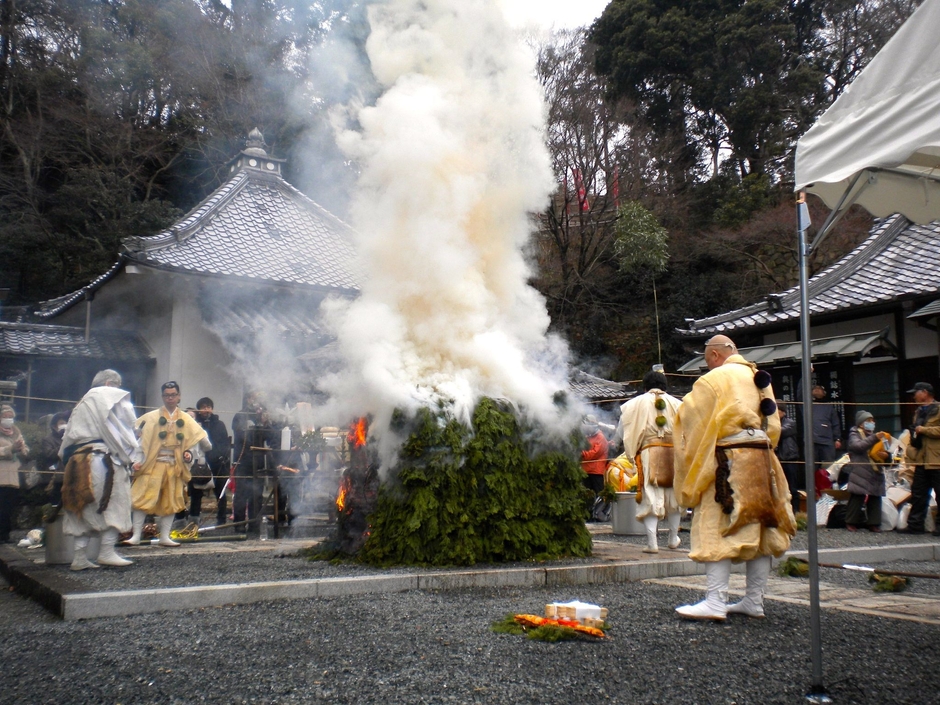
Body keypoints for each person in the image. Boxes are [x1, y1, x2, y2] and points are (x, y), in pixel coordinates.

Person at [674, 335, 796, 620]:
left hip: (728, 460)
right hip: (764, 457)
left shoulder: (714, 379)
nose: (708, 366)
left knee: (716, 524)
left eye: (707, 361)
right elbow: (774, 424)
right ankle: (754, 600)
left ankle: (715, 601)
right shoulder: (759, 378)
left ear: (715, 355)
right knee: (763, 524)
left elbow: (693, 422)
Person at [59, 370, 142, 569]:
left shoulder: (81, 403)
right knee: (115, 502)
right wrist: (133, 443)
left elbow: (66, 440)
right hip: (103, 459)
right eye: (117, 385)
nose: (119, 390)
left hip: (77, 460)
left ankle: (79, 558)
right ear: (108, 383)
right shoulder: (109, 395)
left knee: (82, 505)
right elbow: (129, 424)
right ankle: (106, 552)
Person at [127, 381, 209, 546]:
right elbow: (141, 441)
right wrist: (136, 461)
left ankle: (165, 536)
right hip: (152, 463)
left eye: (173, 395)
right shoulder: (151, 417)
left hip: (174, 464)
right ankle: (136, 535)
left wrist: (189, 455)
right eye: (167, 395)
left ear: (178, 396)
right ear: (162, 396)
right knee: (141, 497)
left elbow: (200, 442)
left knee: (171, 500)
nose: (170, 398)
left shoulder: (186, 419)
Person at [619, 369, 682, 553]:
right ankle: (672, 538)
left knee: (650, 495)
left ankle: (652, 542)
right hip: (674, 452)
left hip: (649, 451)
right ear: (665, 386)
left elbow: (625, 431)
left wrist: (631, 453)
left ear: (645, 386)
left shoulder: (634, 404)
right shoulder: (678, 404)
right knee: (674, 496)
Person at [231, 394, 278, 535]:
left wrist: (266, 424)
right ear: (248, 400)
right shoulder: (240, 416)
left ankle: (254, 524)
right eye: (254, 398)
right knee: (241, 494)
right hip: (244, 459)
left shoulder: (261, 417)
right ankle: (239, 524)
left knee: (257, 494)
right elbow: (243, 436)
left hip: (258, 461)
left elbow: (271, 438)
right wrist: (256, 427)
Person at [903, 382, 940, 535]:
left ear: (925, 392)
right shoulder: (918, 411)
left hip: (936, 459)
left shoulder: (938, 408)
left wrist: (923, 430)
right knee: (918, 493)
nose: (914, 396)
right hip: (921, 459)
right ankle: (915, 526)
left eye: (916, 392)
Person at [844, 410, 888, 533]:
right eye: (868, 421)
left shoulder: (879, 436)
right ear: (860, 424)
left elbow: (889, 452)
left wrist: (886, 455)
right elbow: (858, 446)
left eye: (872, 421)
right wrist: (874, 438)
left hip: (875, 469)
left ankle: (874, 523)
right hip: (860, 470)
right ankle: (851, 522)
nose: (871, 423)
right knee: (858, 495)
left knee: (875, 496)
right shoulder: (854, 434)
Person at [193, 397, 231, 526]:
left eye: (208, 407)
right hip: (200, 463)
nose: (206, 410)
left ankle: (221, 520)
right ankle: (194, 519)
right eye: (203, 407)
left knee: (220, 492)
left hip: (218, 463)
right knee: (197, 492)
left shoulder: (219, 424)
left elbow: (225, 443)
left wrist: (221, 457)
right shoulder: (195, 423)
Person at [0, 404, 29, 543]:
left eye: (10, 417)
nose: (8, 419)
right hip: (1, 475)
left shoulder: (17, 432)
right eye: (5, 417)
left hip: (14, 477)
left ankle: (5, 534)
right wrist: (10, 448)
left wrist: (22, 449)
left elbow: (26, 451)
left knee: (9, 507)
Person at [38, 411, 70, 505]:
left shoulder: (72, 439)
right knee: (55, 505)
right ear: (54, 426)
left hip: (70, 476)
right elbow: (49, 455)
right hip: (56, 478)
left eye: (66, 423)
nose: (64, 425)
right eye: (61, 423)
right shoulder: (48, 439)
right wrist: (64, 444)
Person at [580, 414, 609, 518]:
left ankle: (600, 514)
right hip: (586, 470)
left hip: (597, 471)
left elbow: (594, 454)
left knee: (599, 493)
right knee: (587, 493)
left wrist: (581, 454)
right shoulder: (589, 436)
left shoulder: (600, 437)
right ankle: (589, 514)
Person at [811, 385, 843, 475]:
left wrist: (837, 439)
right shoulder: (807, 405)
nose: (817, 390)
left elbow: (835, 423)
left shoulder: (829, 407)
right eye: (814, 389)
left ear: (824, 393)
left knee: (829, 468)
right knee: (812, 467)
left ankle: (829, 487)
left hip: (827, 441)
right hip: (812, 441)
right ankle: (813, 487)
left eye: (819, 389)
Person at [775, 402, 801, 514]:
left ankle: (795, 511)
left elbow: (780, 432)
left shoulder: (790, 423)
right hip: (777, 459)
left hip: (789, 458)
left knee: (792, 487)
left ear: (782, 412)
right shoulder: (773, 423)